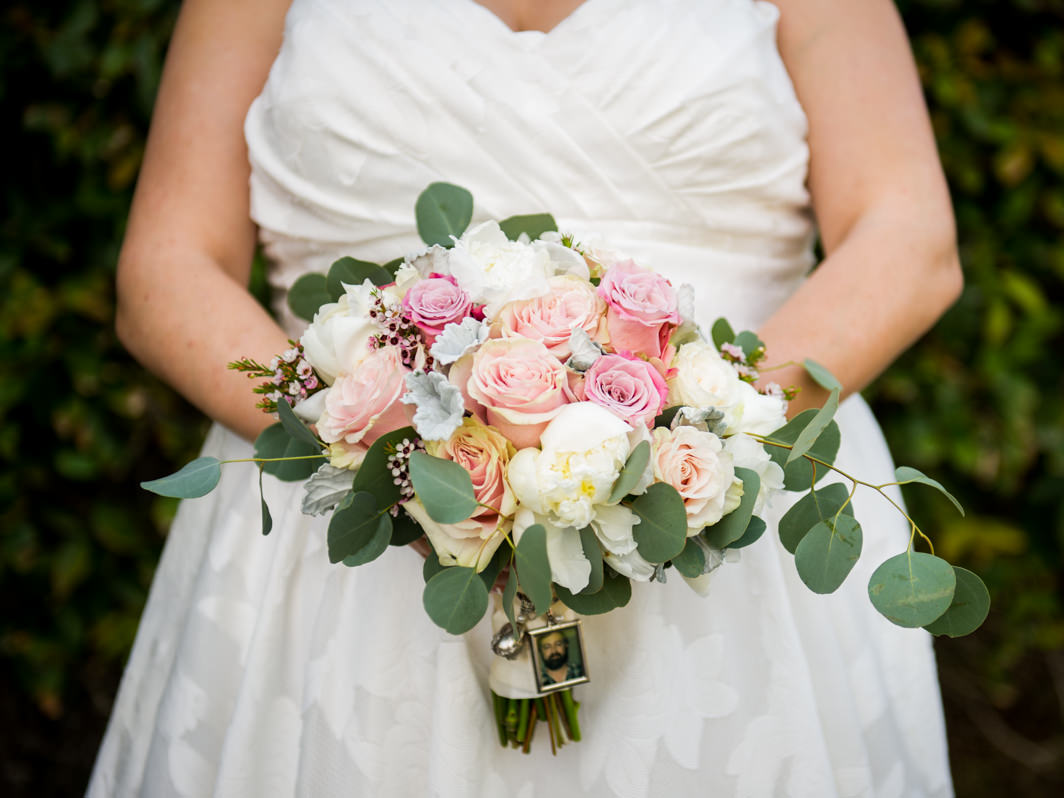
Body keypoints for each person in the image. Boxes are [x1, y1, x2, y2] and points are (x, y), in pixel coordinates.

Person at [90, 0, 962, 795]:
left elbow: (906, 235)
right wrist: (386, 451)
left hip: (731, 522)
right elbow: (166, 270)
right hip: (343, 539)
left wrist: (689, 434)